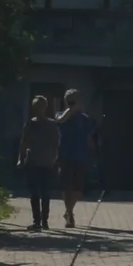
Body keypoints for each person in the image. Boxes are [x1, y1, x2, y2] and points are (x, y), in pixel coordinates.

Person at [18, 94, 61, 232]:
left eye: (41, 107)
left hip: (47, 162)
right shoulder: (30, 124)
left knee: (46, 193)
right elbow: (24, 142)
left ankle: (45, 221)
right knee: (35, 193)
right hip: (33, 162)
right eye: (36, 107)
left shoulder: (52, 125)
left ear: (45, 108)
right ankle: (37, 221)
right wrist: (21, 158)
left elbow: (56, 143)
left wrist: (56, 159)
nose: (38, 110)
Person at [55, 88, 97, 229]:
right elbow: (59, 121)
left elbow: (89, 138)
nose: (72, 104)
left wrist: (93, 152)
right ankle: (70, 216)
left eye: (75, 100)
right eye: (70, 101)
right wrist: (69, 111)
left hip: (81, 156)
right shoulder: (62, 114)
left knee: (78, 190)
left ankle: (68, 211)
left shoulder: (84, 119)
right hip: (65, 156)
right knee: (67, 187)